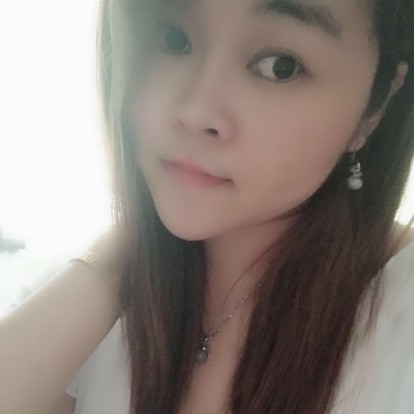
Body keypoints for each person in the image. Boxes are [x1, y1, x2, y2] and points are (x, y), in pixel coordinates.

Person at [1, 0, 414, 413]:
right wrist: (117, 256)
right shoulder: (90, 295)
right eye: (173, 39)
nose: (195, 111)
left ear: (376, 105)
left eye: (280, 66)